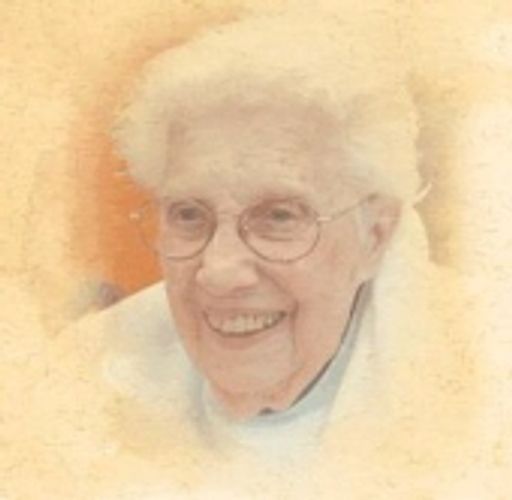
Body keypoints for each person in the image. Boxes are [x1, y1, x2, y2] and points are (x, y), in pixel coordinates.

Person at [43, 12, 478, 499]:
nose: (219, 272)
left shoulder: (482, 381)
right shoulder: (79, 375)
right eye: (188, 214)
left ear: (375, 237)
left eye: (279, 217)